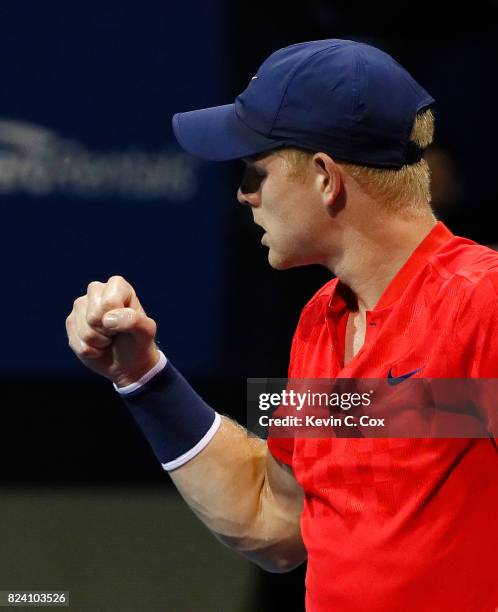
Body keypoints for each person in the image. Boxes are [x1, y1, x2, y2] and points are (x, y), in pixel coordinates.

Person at [66, 40, 498, 611]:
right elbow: (276, 517)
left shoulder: (483, 303)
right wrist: (142, 375)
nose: (243, 194)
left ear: (325, 177)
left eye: (255, 171)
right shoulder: (321, 320)